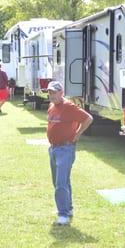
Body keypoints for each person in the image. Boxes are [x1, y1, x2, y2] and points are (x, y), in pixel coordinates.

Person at [46, 81, 93, 225]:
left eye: (54, 92)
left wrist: (77, 134)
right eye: (50, 93)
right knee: (60, 181)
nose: (51, 95)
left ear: (61, 93)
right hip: (53, 148)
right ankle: (68, 208)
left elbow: (88, 119)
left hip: (65, 149)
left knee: (61, 182)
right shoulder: (52, 106)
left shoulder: (69, 106)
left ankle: (63, 214)